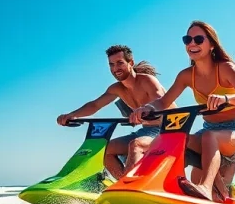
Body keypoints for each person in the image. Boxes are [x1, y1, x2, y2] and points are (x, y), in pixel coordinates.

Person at [130, 21, 235, 201]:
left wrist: (226, 99)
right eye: (187, 39)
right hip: (209, 132)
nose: (192, 44)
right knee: (177, 139)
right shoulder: (185, 75)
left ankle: (206, 187)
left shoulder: (225, 68)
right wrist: (148, 107)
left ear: (211, 44)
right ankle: (158, 187)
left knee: (208, 137)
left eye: (198, 39)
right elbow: (164, 102)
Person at [57, 45, 168, 179]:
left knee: (135, 145)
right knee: (104, 149)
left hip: (168, 130)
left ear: (130, 63)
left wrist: (147, 108)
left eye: (120, 63)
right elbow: (95, 105)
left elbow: (160, 100)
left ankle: (129, 186)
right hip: (146, 132)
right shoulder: (117, 89)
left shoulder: (147, 80)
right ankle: (123, 185)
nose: (115, 68)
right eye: (112, 64)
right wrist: (72, 115)